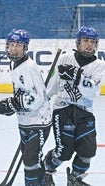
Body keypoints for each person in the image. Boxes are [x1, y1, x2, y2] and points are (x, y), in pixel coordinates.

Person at [43, 26, 105, 186]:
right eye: (85, 40)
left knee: (88, 151)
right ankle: (46, 170)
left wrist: (77, 76)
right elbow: (53, 83)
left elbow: (92, 90)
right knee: (64, 151)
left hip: (84, 112)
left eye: (92, 41)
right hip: (63, 110)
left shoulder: (99, 65)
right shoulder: (65, 58)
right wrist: (44, 101)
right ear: (78, 42)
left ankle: (75, 178)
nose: (89, 44)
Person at [0, 29, 52, 186]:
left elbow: (39, 97)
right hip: (25, 121)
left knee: (30, 160)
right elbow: (23, 94)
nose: (14, 48)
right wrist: (12, 106)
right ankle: (43, 182)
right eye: (11, 45)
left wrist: (12, 103)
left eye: (18, 45)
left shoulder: (29, 67)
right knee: (34, 158)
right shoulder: (15, 64)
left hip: (38, 122)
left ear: (25, 47)